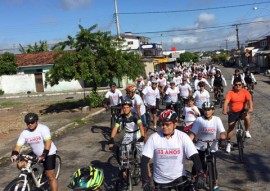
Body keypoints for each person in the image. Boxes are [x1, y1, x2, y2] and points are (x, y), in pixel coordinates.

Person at [140, 109, 205, 191]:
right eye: (162, 124)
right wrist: (145, 180)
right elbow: (144, 160)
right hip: (161, 181)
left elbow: (195, 156)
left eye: (167, 124)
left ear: (175, 124)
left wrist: (200, 173)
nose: (164, 127)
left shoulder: (183, 137)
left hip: (179, 177)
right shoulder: (154, 138)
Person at [10, 113, 58, 191]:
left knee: (50, 176)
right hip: (35, 153)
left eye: (32, 122)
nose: (30, 124)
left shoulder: (43, 128)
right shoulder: (25, 133)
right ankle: (31, 178)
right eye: (28, 123)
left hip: (48, 153)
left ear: (36, 121)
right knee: (20, 164)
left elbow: (48, 142)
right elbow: (18, 145)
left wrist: (44, 154)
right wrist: (14, 154)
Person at [189, 102, 227, 191]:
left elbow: (222, 132)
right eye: (205, 110)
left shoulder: (217, 119)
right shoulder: (199, 120)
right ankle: (193, 180)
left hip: (213, 147)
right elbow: (193, 133)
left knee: (213, 165)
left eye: (209, 110)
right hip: (200, 146)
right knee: (197, 165)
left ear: (213, 110)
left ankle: (215, 184)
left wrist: (223, 139)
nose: (207, 112)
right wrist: (189, 142)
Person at [223, 78, 253, 153]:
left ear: (242, 85)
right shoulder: (230, 93)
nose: (238, 86)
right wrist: (224, 110)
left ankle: (246, 131)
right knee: (231, 126)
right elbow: (226, 102)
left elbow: (250, 100)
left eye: (239, 84)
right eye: (236, 85)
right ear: (234, 85)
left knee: (247, 117)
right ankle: (228, 144)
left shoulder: (245, 92)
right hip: (233, 112)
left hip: (242, 111)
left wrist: (251, 108)